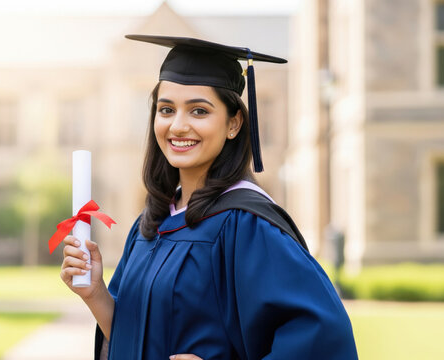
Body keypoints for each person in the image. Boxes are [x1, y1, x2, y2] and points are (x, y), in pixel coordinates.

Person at [60, 35, 358, 360]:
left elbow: (324, 339)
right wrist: (97, 295)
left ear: (233, 123)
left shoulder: (245, 224)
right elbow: (136, 339)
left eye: (199, 111)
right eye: (166, 109)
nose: (178, 125)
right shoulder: (151, 223)